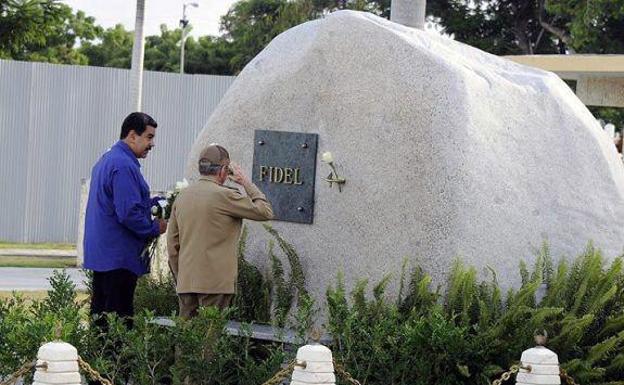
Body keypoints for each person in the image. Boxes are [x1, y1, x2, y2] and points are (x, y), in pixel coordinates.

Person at [167, 144, 273, 318]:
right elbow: (265, 211)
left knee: (185, 340)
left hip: (186, 282)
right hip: (215, 284)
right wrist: (245, 182)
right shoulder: (225, 195)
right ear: (224, 170)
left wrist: (181, 277)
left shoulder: (183, 196)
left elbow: (172, 245)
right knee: (209, 340)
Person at [84, 112, 167, 327]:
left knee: (101, 318)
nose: (152, 144)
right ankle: (116, 361)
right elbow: (129, 213)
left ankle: (98, 360)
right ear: (132, 135)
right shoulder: (123, 165)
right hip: (119, 257)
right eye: (149, 137)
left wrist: (154, 203)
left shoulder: (109, 158)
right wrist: (155, 227)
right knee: (118, 322)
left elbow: (120, 204)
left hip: (104, 254)